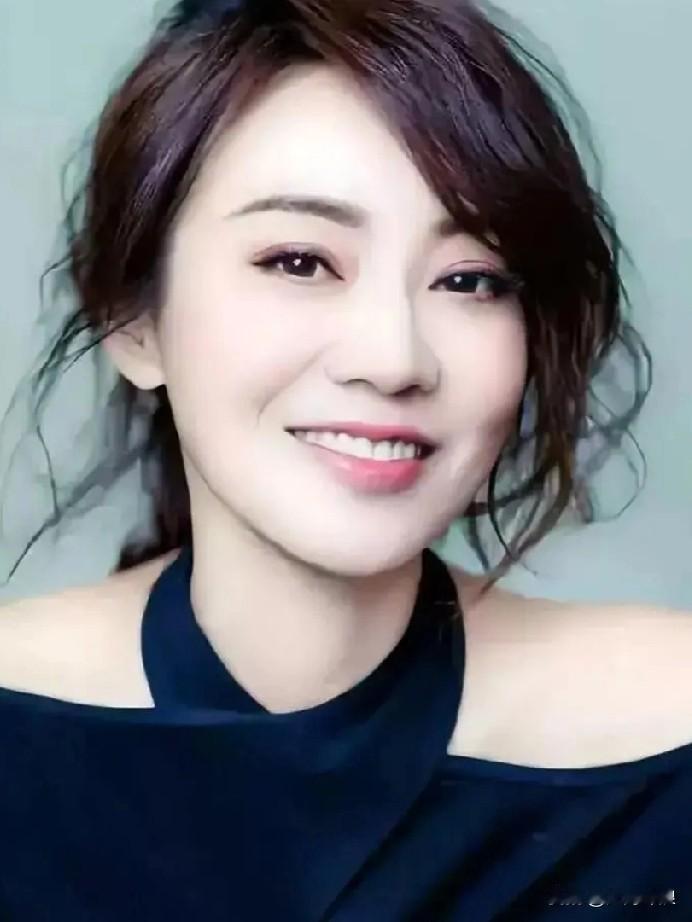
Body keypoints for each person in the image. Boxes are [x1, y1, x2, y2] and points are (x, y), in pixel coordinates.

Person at [0, 0, 688, 918]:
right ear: (134, 320)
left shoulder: (668, 741)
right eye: (300, 262)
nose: (394, 358)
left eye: (470, 280)